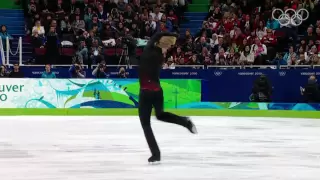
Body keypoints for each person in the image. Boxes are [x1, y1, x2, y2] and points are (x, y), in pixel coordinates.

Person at [138, 32, 198, 164]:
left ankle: (156, 154)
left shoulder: (149, 50)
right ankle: (185, 122)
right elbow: (157, 37)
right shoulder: (159, 56)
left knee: (146, 124)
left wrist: (170, 35)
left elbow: (156, 35)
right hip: (157, 92)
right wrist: (174, 36)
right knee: (160, 115)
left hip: (146, 93)